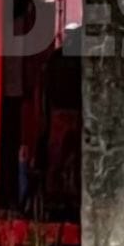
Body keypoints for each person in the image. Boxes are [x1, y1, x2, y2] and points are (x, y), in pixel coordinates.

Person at [39, 24, 83, 219]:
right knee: (61, 158)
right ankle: (57, 196)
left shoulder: (58, 58)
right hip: (66, 112)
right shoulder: (66, 58)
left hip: (68, 112)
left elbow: (46, 89)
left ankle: (62, 196)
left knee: (67, 158)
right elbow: (46, 89)